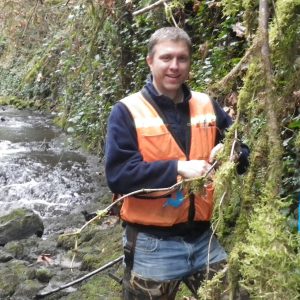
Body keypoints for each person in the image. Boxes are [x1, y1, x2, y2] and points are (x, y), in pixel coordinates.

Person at [105, 27, 249, 299]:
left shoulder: (207, 105)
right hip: (152, 245)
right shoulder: (126, 111)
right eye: (166, 58)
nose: (174, 66)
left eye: (182, 58)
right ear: (150, 61)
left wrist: (232, 152)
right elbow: (118, 175)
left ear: (189, 63)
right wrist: (177, 168)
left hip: (204, 239)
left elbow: (242, 151)